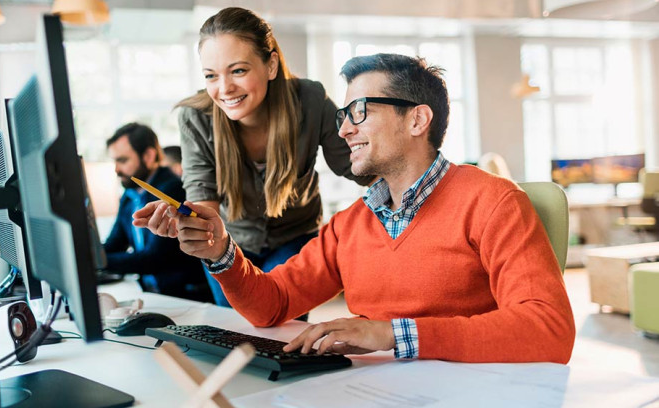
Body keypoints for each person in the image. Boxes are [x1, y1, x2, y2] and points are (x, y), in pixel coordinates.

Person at [135, 53, 576, 364]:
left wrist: (391, 333)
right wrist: (221, 252)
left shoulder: (494, 201)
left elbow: (548, 328)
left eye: (359, 111)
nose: (343, 129)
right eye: (344, 113)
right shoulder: (350, 225)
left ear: (417, 120)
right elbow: (273, 304)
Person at [172, 7, 372, 308]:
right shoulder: (195, 117)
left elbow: (358, 166)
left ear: (271, 66)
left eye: (238, 70)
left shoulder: (309, 100)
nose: (224, 88)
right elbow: (202, 195)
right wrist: (190, 224)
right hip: (229, 242)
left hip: (294, 237)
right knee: (236, 332)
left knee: (282, 332)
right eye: (211, 75)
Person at [104, 122, 210, 302]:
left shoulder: (172, 190)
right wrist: (86, 256)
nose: (116, 169)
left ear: (148, 156)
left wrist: (98, 262)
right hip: (152, 294)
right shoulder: (129, 195)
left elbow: (155, 258)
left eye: (122, 160)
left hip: (184, 297)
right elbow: (115, 243)